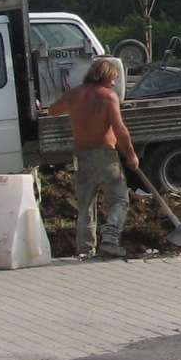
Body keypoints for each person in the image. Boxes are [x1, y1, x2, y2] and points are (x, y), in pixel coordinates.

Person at [49, 59, 139, 259]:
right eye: (113, 78)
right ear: (105, 76)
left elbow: (53, 110)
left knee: (85, 205)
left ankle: (85, 249)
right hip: (105, 156)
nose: (115, 84)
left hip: (82, 156)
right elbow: (119, 129)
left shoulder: (74, 94)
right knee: (119, 200)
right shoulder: (108, 97)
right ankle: (110, 239)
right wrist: (131, 155)